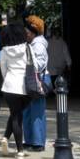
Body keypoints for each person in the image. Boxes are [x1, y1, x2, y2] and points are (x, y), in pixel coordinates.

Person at [0, 21, 32, 158]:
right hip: (26, 86)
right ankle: (18, 149)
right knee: (18, 115)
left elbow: (3, 70)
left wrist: (8, 79)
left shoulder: (3, 51)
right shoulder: (27, 48)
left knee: (15, 115)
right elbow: (33, 66)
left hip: (10, 86)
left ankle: (12, 143)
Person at [21, 15, 51, 151]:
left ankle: (38, 142)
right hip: (32, 78)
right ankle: (30, 140)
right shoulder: (33, 43)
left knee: (36, 111)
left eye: (27, 32)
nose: (25, 34)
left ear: (33, 32)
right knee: (28, 110)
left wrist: (24, 62)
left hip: (37, 79)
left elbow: (38, 65)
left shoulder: (38, 45)